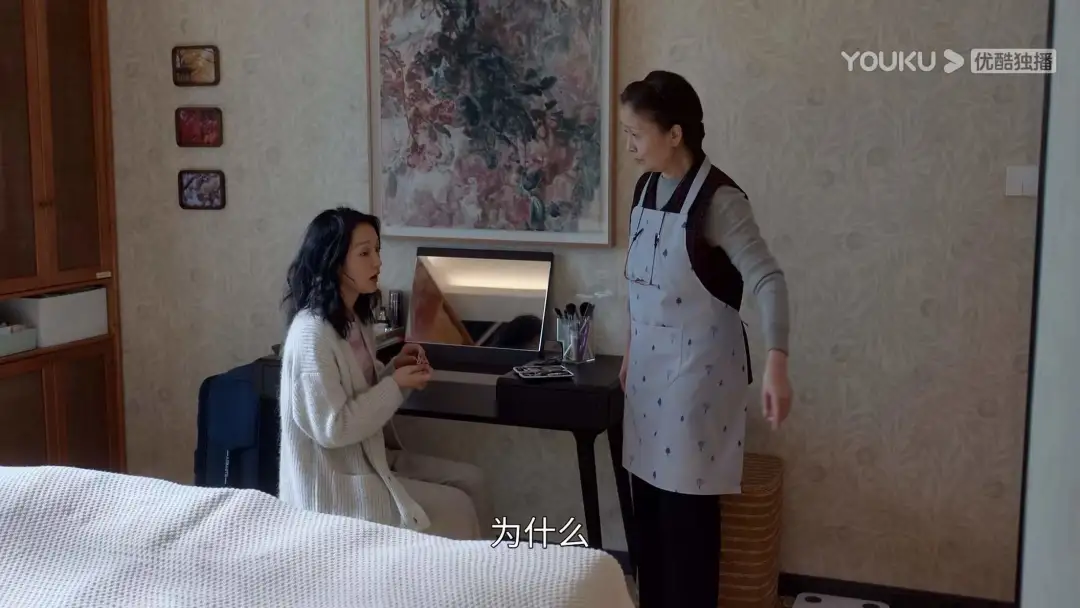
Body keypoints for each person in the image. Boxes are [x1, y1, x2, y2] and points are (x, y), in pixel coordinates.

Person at [617, 71, 794, 606]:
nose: (630, 146)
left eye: (636, 134)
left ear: (674, 134)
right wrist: (630, 348)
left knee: (686, 527)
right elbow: (642, 283)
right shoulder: (646, 188)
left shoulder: (720, 201)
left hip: (697, 379)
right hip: (647, 377)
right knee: (650, 522)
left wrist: (777, 362)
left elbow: (767, 278)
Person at [277, 207, 493, 540]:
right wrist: (395, 384)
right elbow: (334, 427)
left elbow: (364, 391)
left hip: (372, 457)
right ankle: (466, 570)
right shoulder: (311, 336)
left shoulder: (355, 320)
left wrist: (395, 371)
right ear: (333, 260)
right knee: (458, 505)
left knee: (473, 480)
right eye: (364, 253)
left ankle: (492, 564)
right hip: (338, 484)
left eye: (377, 250)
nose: (378, 262)